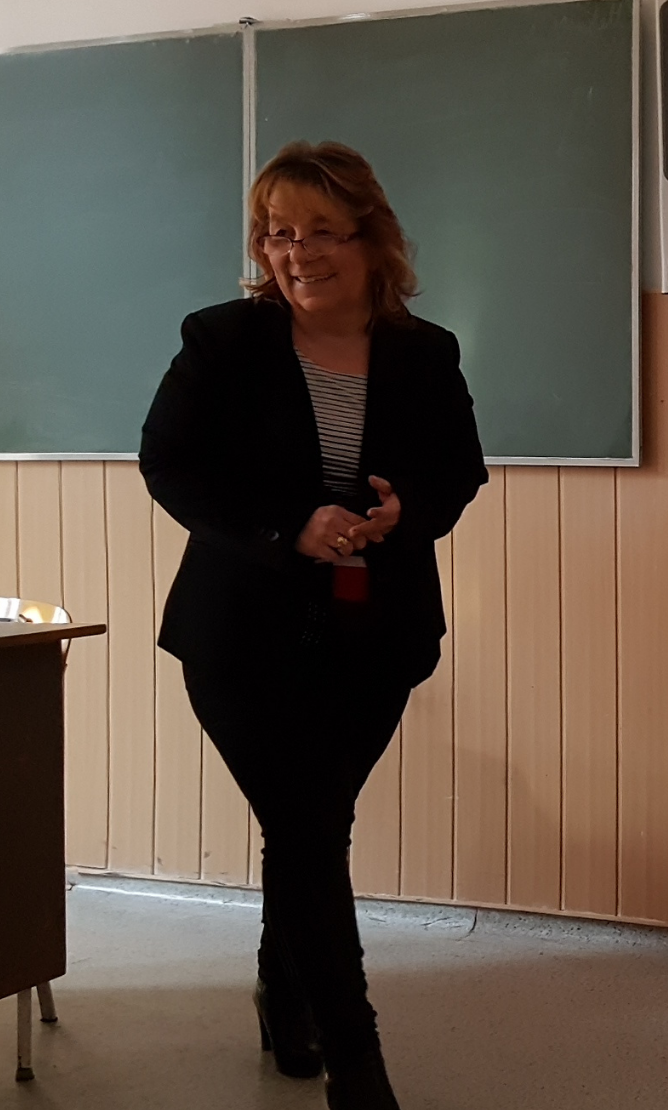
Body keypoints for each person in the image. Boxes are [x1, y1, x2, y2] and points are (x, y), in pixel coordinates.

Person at [139, 140, 488, 1110]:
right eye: (278, 233)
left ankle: (280, 993)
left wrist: (403, 513)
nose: (297, 253)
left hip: (375, 640)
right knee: (305, 828)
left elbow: (457, 473)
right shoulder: (223, 340)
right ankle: (356, 1063)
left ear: (372, 240)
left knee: (310, 826)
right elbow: (168, 463)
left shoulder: (425, 352)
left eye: (322, 231)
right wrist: (285, 528)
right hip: (239, 639)